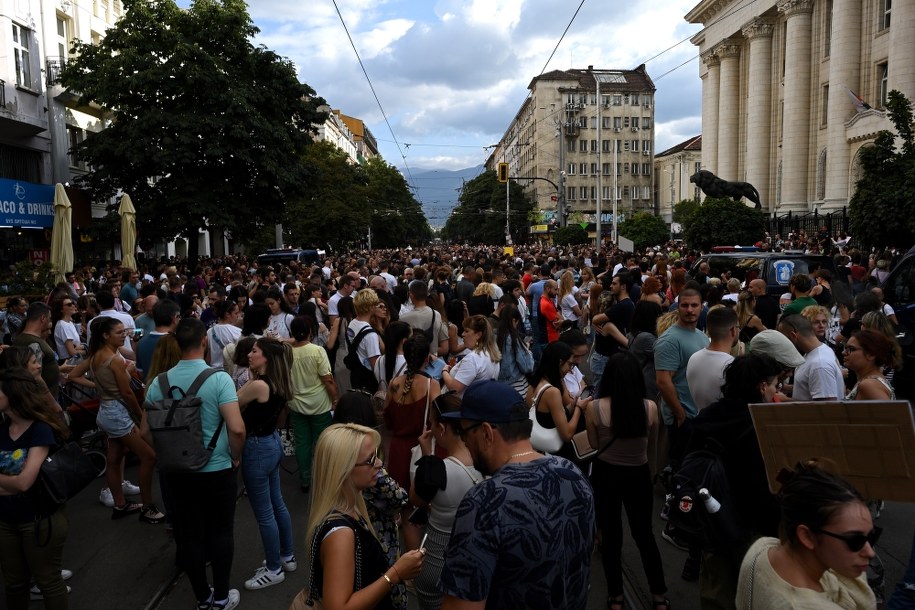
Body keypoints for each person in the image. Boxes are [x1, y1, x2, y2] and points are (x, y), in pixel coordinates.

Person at [438, 380, 595, 609]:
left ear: (486, 433)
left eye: (464, 432)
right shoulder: (573, 474)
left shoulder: (484, 502)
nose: (464, 441)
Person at [143, 318, 245, 610]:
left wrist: (167, 452)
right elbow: (237, 428)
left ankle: (203, 596)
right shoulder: (218, 379)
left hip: (176, 472)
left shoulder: (158, 383)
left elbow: (144, 431)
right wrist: (235, 455)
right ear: (203, 342)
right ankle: (222, 596)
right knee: (221, 531)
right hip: (216, 468)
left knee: (189, 534)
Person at [686, 353, 784, 607]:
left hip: (712, 519)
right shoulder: (763, 427)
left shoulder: (707, 416)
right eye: (775, 385)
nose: (776, 391)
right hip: (750, 527)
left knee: (716, 592)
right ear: (762, 386)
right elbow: (764, 488)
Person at [302, 423, 425, 610]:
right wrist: (396, 573)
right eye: (370, 460)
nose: (379, 463)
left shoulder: (352, 507)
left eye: (377, 455)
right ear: (343, 469)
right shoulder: (340, 534)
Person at [586, 353, 668, 610]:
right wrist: (651, 473)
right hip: (638, 475)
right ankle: (659, 596)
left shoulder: (594, 408)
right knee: (644, 535)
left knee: (610, 537)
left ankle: (616, 597)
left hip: (606, 475)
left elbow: (594, 444)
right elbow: (651, 446)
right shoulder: (650, 408)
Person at [736, 462, 877, 609]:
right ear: (807, 536)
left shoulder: (760, 549)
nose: (870, 552)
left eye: (872, 536)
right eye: (855, 540)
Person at [68, 316, 165, 524]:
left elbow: (74, 375)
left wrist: (100, 387)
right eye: (119, 333)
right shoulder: (114, 359)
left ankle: (120, 505)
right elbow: (127, 393)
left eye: (124, 332)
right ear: (105, 335)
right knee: (149, 457)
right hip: (118, 414)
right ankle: (147, 507)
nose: (124, 336)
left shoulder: (96, 356)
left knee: (114, 459)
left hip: (106, 410)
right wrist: (140, 415)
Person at [0, 368, 72, 609]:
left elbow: (24, 482)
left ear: (14, 394)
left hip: (40, 520)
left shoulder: (40, 429)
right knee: (14, 583)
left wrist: (12, 485)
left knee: (48, 581)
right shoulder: (2, 430)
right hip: (5, 520)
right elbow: (21, 484)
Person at [235, 338, 297, 591]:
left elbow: (232, 403)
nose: (249, 355)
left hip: (257, 448)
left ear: (267, 358)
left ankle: (273, 569)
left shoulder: (259, 385)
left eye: (254, 351)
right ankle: (286, 556)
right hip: (271, 443)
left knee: (264, 513)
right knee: (277, 503)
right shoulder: (278, 382)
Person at [411, 393, 483, 610]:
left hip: (436, 560)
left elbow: (415, 498)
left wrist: (426, 455)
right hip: (475, 557)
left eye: (432, 423)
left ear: (441, 428)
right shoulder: (486, 461)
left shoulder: (436, 469)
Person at [384, 334, 441, 550]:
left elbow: (387, 420)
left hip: (398, 452)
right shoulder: (431, 385)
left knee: (407, 512)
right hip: (421, 449)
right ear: (427, 359)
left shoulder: (394, 384)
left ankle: (411, 564)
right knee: (429, 505)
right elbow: (437, 421)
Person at [287, 315, 337, 493]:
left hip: (296, 404)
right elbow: (327, 380)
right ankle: (326, 478)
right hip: (319, 404)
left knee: (302, 443)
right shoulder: (317, 351)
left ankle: (305, 479)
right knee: (323, 443)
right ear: (309, 332)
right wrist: (335, 399)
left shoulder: (287, 353)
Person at [526, 341, 590, 459]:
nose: (570, 370)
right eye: (570, 364)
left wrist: (573, 404)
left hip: (542, 451)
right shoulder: (552, 392)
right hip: (559, 454)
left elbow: (548, 417)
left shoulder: (534, 384)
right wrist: (579, 408)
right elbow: (567, 435)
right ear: (560, 362)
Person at [778, 314, 845, 401]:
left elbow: (826, 405)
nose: (784, 344)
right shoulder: (818, 351)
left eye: (784, 339)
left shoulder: (820, 364)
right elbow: (813, 387)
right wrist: (787, 388)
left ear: (793, 335)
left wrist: (785, 400)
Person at [686, 306, 739, 412]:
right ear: (733, 330)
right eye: (738, 327)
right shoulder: (733, 366)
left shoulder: (693, 358)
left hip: (700, 419)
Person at [440, 315, 500, 397]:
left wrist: (444, 371)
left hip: (460, 403)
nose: (463, 334)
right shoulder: (490, 354)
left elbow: (454, 388)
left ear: (478, 335)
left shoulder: (472, 358)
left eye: (466, 331)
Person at [843, 330, 900, 401]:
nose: (844, 352)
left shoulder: (869, 385)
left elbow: (888, 408)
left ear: (871, 354)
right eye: (845, 348)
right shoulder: (868, 381)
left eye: (851, 349)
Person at [495, 303, 534, 396]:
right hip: (517, 386)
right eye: (517, 323)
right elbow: (527, 366)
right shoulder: (513, 339)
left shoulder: (493, 336)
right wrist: (527, 349)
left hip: (498, 386)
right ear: (513, 321)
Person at [207, 300, 242, 370]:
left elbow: (208, 356)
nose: (238, 316)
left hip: (213, 371)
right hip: (229, 371)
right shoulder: (237, 332)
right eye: (236, 313)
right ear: (227, 314)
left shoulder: (209, 331)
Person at [51, 297, 84, 362]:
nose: (73, 305)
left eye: (73, 303)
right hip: (69, 362)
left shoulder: (70, 323)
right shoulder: (62, 325)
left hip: (77, 360)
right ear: (61, 309)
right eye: (69, 304)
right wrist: (87, 350)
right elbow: (72, 352)